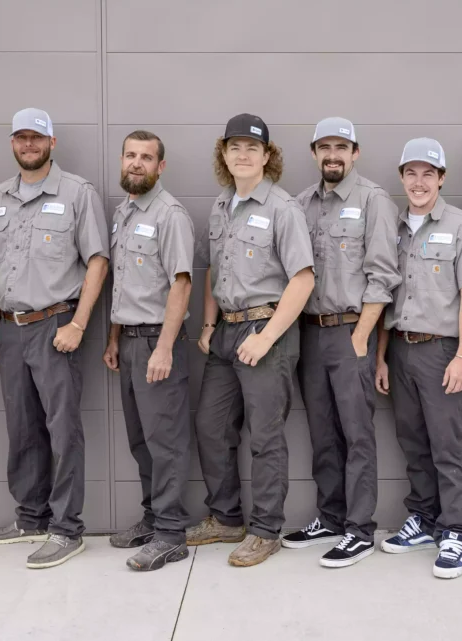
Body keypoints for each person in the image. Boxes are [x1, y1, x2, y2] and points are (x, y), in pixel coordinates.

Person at [0, 108, 110, 570]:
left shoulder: (77, 193)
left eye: (37, 137)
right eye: (21, 137)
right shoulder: (0, 196)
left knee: (62, 430)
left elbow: (97, 260)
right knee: (22, 428)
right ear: (12, 143)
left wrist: (78, 324)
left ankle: (67, 528)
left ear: (52, 142)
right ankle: (31, 517)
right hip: (11, 330)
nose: (28, 144)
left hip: (57, 326)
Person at [186, 113, 315, 567]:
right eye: (235, 147)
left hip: (267, 330)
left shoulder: (282, 208)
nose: (243, 155)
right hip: (225, 330)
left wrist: (267, 337)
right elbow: (213, 274)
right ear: (224, 153)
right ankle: (225, 518)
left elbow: (302, 279)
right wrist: (206, 326)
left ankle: (265, 530)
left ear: (267, 156)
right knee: (211, 426)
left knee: (265, 435)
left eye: (252, 148)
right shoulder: (220, 206)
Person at [282, 117, 399, 568]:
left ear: (356, 152)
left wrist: (362, 337)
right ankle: (330, 517)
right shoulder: (299, 204)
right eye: (324, 147)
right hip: (310, 333)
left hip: (353, 331)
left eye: (342, 147)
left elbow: (383, 274)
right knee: (322, 433)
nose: (333, 154)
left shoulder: (374, 201)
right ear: (314, 153)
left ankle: (359, 529)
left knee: (356, 434)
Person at [375, 138, 462, 579]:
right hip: (401, 348)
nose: (419, 182)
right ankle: (422, 518)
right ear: (402, 178)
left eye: (428, 173)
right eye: (411, 173)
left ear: (441, 179)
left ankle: (456, 529)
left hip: (443, 350)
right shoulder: (393, 228)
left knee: (447, 444)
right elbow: (386, 299)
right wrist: (383, 357)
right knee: (412, 441)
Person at [104, 130, 195, 571]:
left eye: (146, 157)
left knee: (166, 444)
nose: (136, 163)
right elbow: (126, 283)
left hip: (160, 343)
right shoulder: (123, 212)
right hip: (130, 343)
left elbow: (181, 283)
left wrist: (163, 348)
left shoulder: (169, 214)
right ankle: (152, 518)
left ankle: (172, 533)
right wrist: (115, 339)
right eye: (130, 156)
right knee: (141, 441)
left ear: (161, 167)